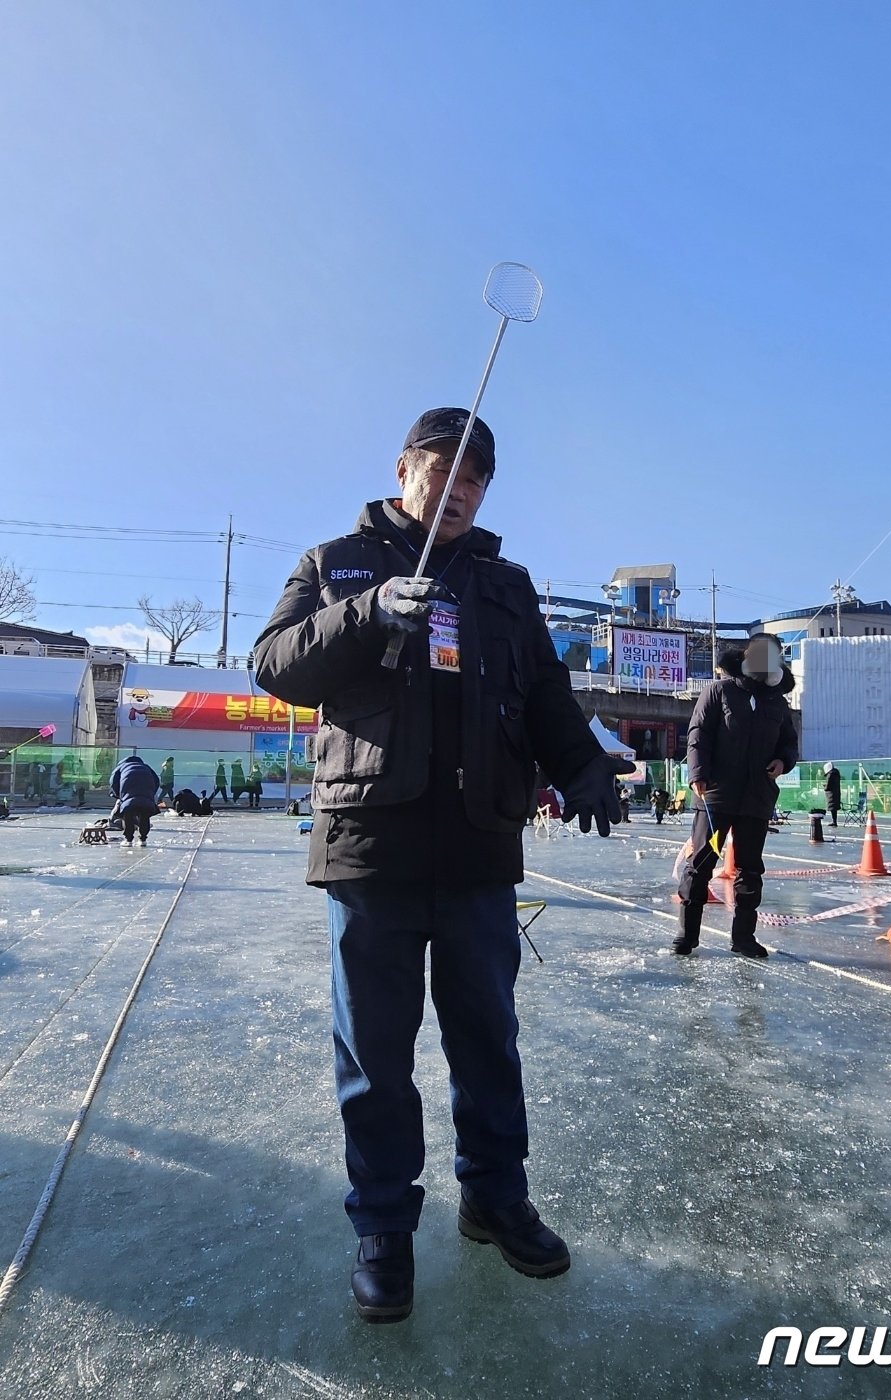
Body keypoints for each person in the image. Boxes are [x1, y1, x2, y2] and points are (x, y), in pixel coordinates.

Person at [254, 406, 630, 1324]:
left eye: (475, 479)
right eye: (441, 469)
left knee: (486, 1038)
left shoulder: (504, 584)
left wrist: (582, 765)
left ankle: (494, 1198)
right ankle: (383, 1226)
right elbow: (275, 664)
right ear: (403, 468)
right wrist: (366, 610)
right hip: (369, 842)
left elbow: (543, 689)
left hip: (477, 843)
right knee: (376, 1053)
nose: (456, 489)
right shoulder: (335, 563)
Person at [674, 633, 798, 959]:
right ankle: (687, 935)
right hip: (716, 796)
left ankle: (743, 938)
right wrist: (697, 774)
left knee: (749, 869)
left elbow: (789, 744)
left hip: (756, 799)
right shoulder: (719, 691)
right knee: (701, 864)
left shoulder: (778, 703)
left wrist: (783, 761)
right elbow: (698, 734)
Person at [109, 754, 160, 847]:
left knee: (128, 815)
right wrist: (150, 794)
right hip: (146, 795)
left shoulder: (121, 767)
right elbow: (156, 780)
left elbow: (113, 782)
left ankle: (128, 840)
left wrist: (118, 795)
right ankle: (143, 840)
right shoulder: (146, 767)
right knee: (144, 816)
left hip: (128, 795)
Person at [822, 761, 842, 827]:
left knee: (832, 808)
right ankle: (834, 821)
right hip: (836, 793)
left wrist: (824, 787)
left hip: (831, 794)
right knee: (834, 809)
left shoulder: (830, 775)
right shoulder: (836, 773)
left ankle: (834, 822)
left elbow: (828, 786)